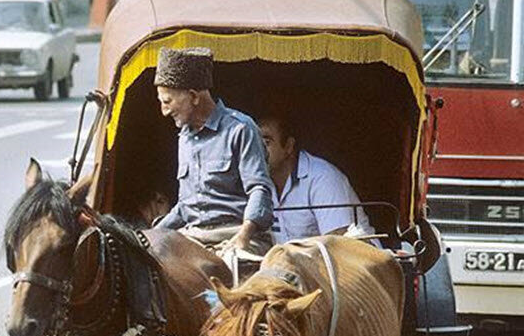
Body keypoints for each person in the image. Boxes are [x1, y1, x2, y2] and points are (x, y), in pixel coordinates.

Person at [154, 46, 275, 254]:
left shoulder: (241, 129)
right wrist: (151, 235)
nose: (164, 111)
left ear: (193, 96)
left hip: (235, 236)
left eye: (167, 101)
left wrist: (244, 235)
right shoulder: (184, 137)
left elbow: (259, 189)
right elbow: (185, 207)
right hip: (191, 238)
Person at [257, 115, 374, 243]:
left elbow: (338, 243)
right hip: (293, 261)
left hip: (352, 260)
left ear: (289, 146)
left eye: (266, 143)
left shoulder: (322, 177)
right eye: (254, 143)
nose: (257, 150)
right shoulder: (258, 183)